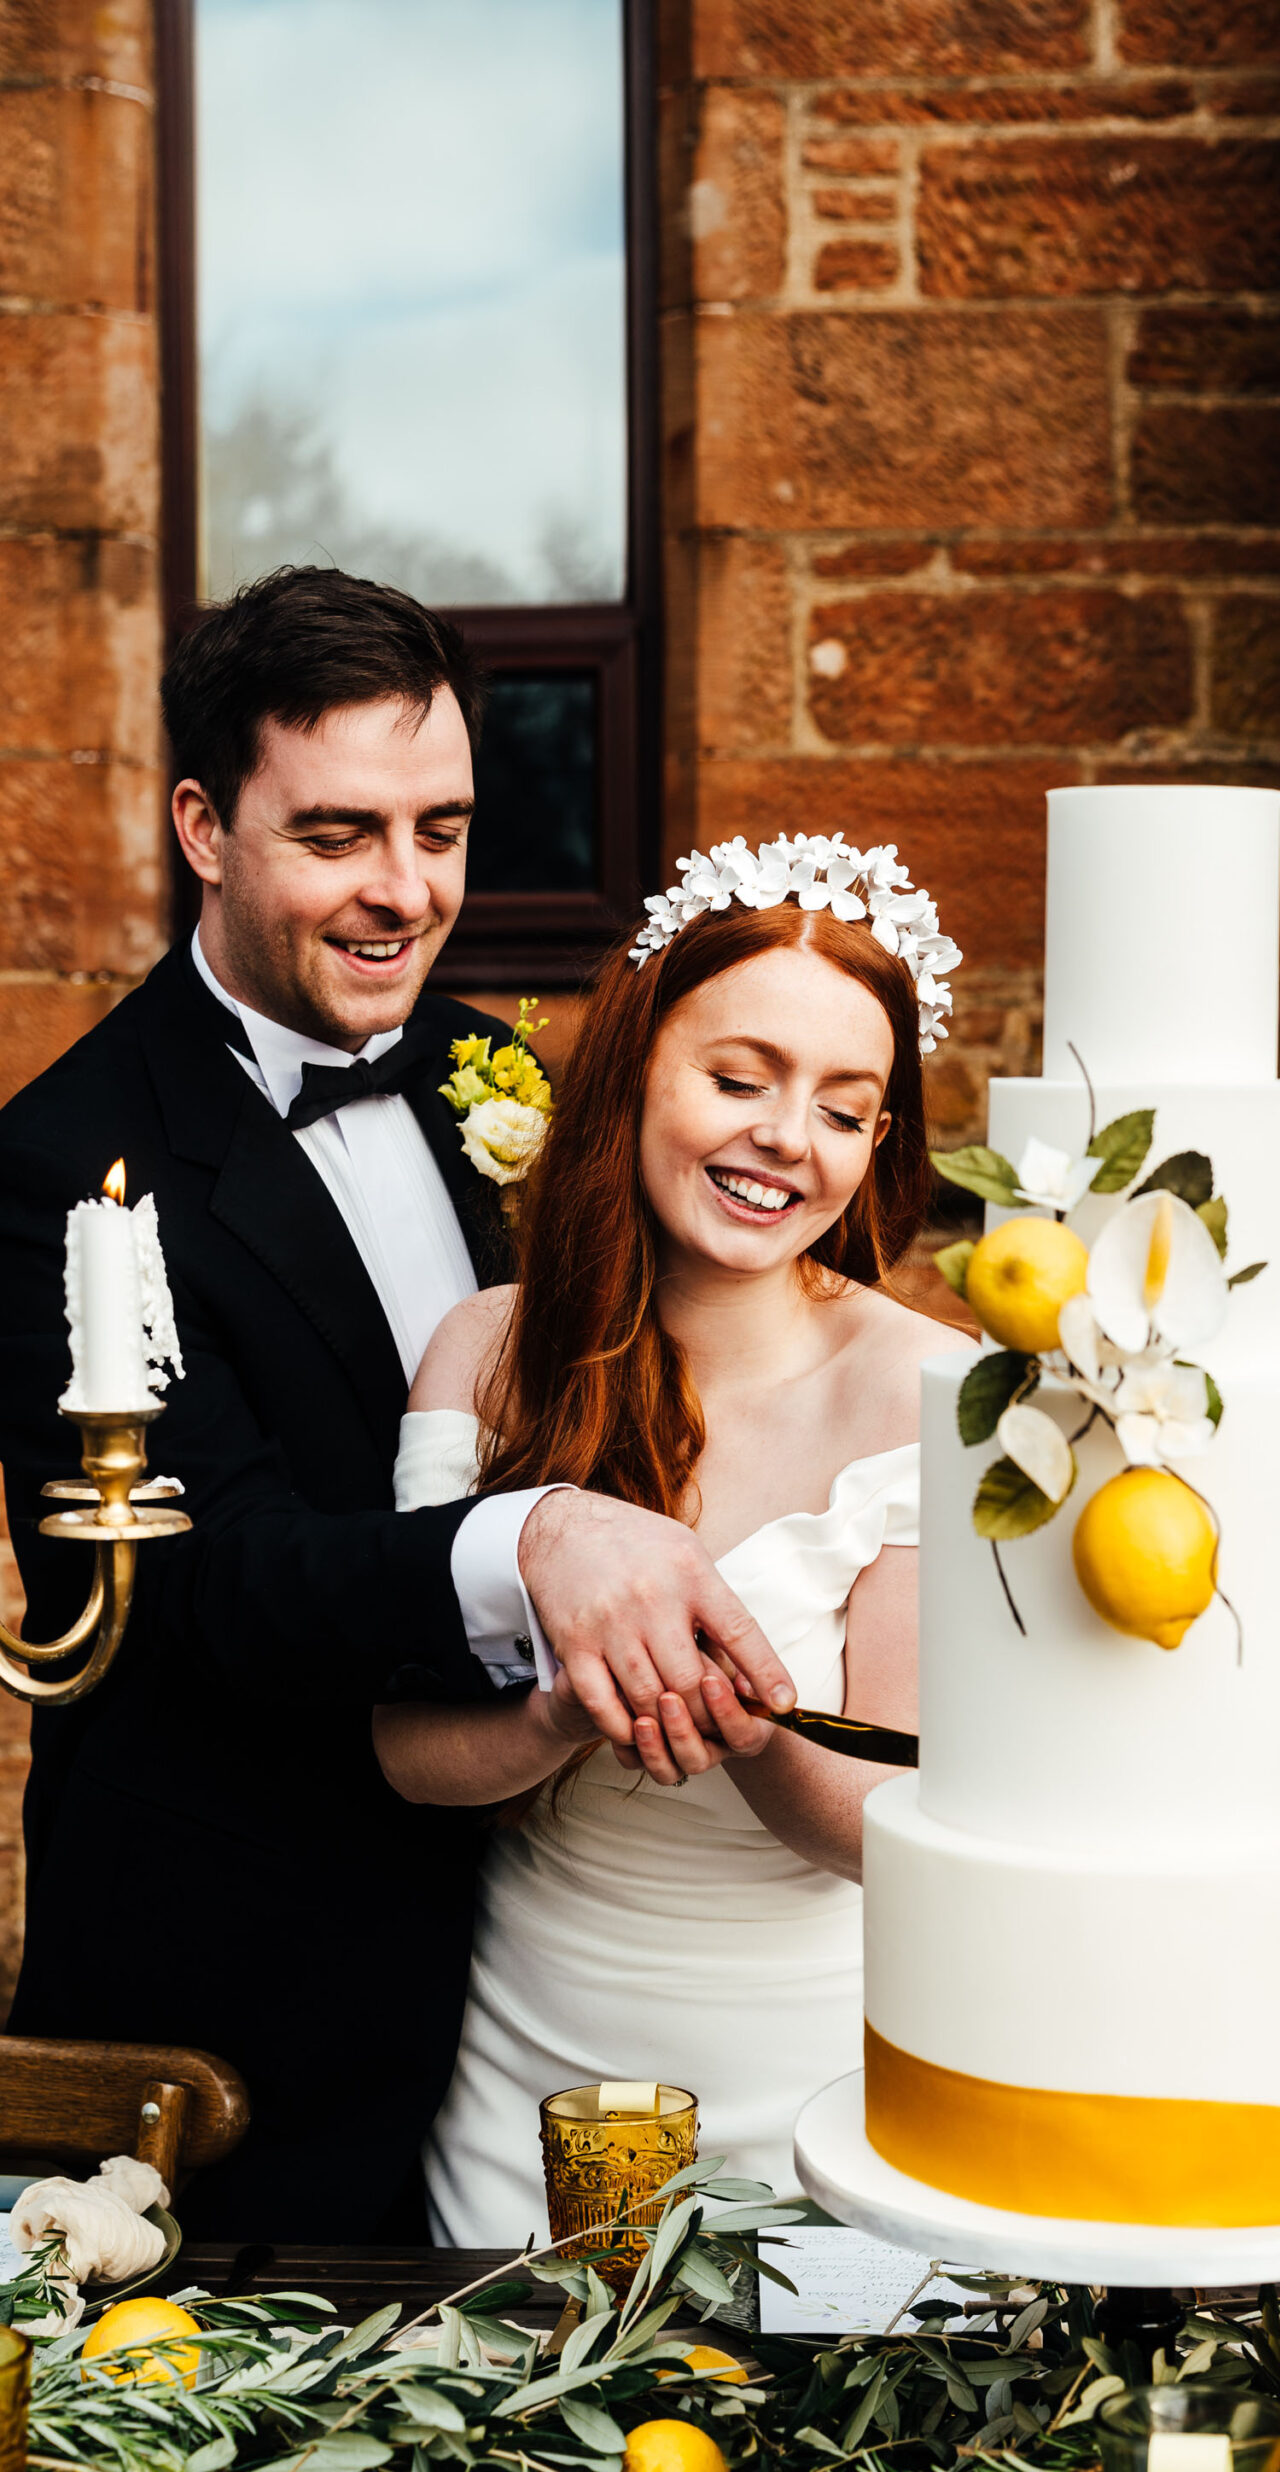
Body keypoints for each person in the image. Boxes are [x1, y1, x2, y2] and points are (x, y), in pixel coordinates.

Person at [0, 567, 796, 2242]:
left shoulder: (486, 1077)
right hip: (243, 2011)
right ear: (204, 827)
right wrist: (540, 1543)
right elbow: (211, 1586)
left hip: (548, 1970)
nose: (406, 892)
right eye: (341, 834)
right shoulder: (62, 1169)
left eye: (441, 830)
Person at [372, 842, 967, 2236]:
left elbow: (893, 1831)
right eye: (739, 1077)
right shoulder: (485, 1353)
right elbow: (406, 1753)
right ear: (639, 1068)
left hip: (820, 2088)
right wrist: (567, 1710)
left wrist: (724, 1708)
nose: (783, 1137)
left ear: (880, 1146)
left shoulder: (928, 1390)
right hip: (526, 2080)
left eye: (842, 1108)